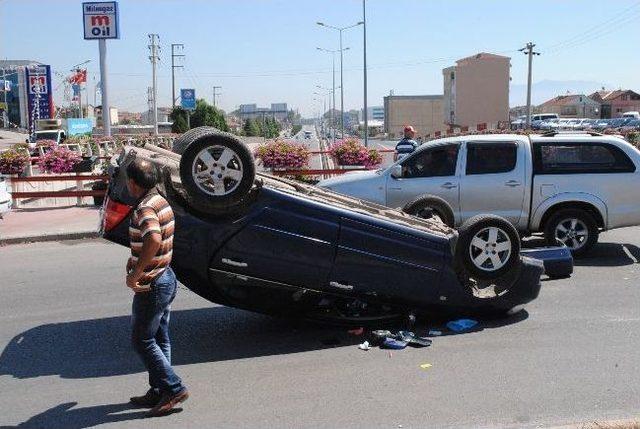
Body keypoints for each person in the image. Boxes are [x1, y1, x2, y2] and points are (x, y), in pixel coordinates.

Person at [125, 159, 189, 417]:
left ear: (132, 183)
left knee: (141, 339)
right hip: (166, 276)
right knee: (159, 337)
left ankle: (173, 388)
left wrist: (136, 274)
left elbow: (152, 237)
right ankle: (158, 389)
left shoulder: (144, 208)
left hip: (153, 283)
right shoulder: (160, 199)